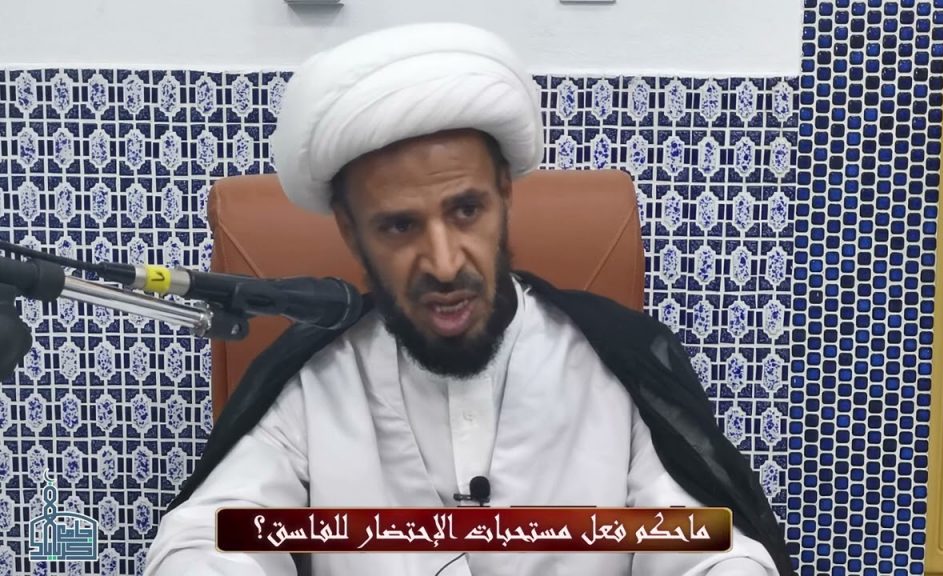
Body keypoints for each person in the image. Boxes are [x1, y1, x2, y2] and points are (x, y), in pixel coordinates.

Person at [145, 23, 792, 576]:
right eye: (400, 226)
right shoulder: (316, 379)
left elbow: (702, 544)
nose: (445, 262)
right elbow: (215, 535)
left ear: (505, 195)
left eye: (466, 210)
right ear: (350, 230)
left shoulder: (613, 365)